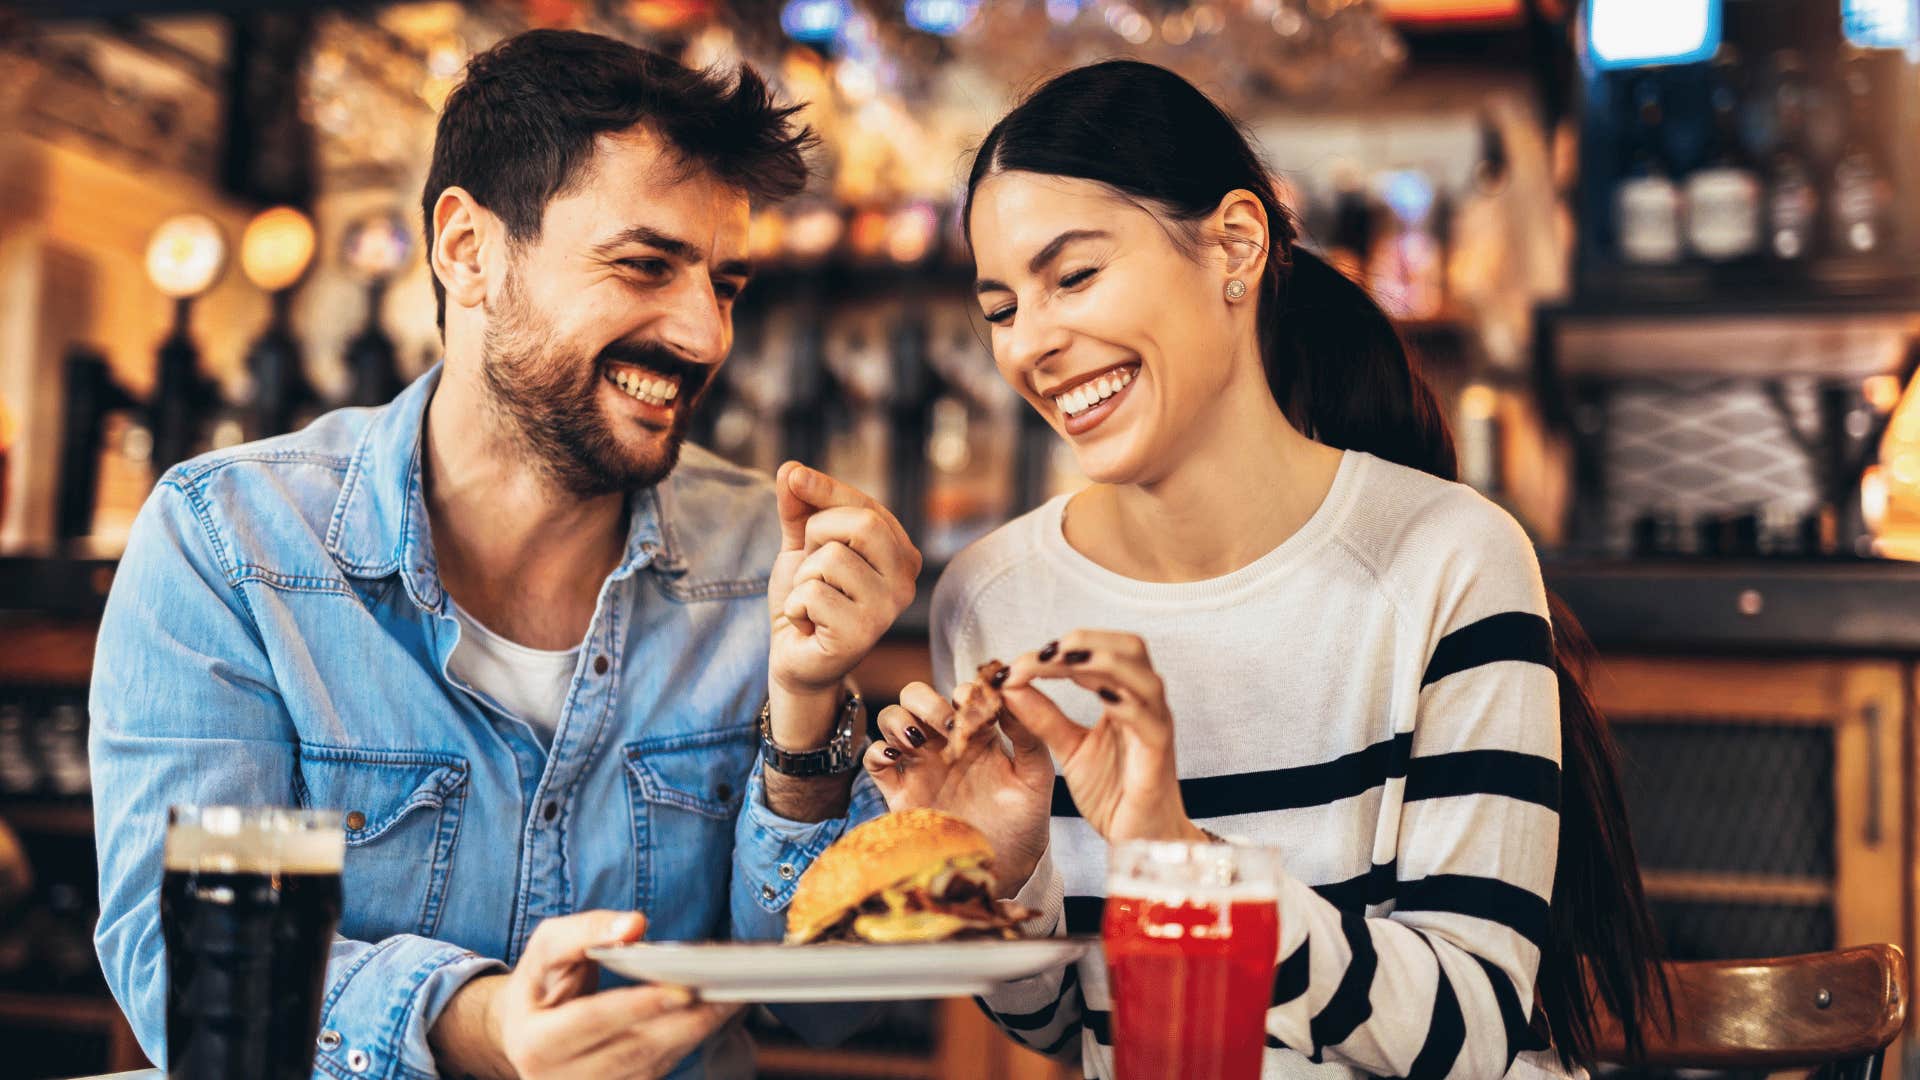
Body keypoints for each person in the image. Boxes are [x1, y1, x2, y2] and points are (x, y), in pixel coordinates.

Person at [90, 30, 918, 1080]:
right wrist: (484, 1029)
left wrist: (806, 716)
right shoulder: (230, 543)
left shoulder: (770, 555)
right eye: (646, 265)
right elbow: (184, 966)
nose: (707, 335)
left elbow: (826, 1007)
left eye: (727, 285)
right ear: (467, 250)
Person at [863, 60, 1666, 1079]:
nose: (1035, 344)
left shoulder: (1447, 558)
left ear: (1234, 244)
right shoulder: (995, 598)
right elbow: (1072, 1030)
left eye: (1072, 277)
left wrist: (1179, 859)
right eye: (1001, 306)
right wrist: (1005, 877)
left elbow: (1468, 1028)